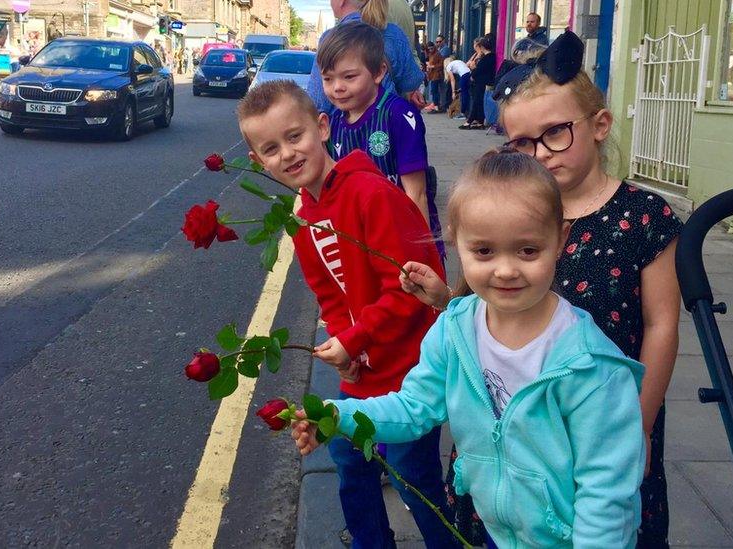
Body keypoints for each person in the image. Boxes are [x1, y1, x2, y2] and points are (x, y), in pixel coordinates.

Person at [406, 31, 684, 547]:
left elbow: (660, 323)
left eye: (555, 133)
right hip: (512, 427)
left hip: (603, 418)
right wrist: (447, 301)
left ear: (599, 125)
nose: (540, 154)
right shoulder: (511, 213)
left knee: (600, 519)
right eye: (522, 143)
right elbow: (484, 309)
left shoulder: (643, 216)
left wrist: (638, 424)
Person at [294, 148, 646, 547]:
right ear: (456, 240)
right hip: (498, 532)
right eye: (484, 251)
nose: (506, 269)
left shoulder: (589, 366)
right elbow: (413, 408)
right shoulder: (456, 329)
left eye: (528, 250)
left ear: (561, 237)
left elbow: (606, 492)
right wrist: (337, 416)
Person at [237, 79, 458, 549]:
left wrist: (356, 338)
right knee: (347, 456)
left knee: (410, 475)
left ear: (321, 127)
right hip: (366, 363)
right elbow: (330, 295)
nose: (288, 154)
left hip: (410, 366)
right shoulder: (302, 215)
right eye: (271, 149)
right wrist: (346, 350)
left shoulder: (369, 194)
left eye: (295, 137)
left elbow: (409, 293)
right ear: (259, 162)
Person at [320, 22, 443, 261]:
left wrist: (420, 256)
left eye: (349, 77)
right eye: (327, 78)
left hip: (402, 237)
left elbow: (416, 193)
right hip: (359, 238)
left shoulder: (399, 115)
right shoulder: (332, 122)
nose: (337, 88)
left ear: (378, 72)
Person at [306, 0, 425, 113]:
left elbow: (317, 101)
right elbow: (411, 82)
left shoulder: (330, 37)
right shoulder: (394, 34)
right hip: (387, 123)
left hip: (342, 130)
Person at [460, 35, 494, 129]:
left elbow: (479, 70)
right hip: (480, 82)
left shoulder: (488, 57)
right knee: (479, 101)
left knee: (477, 101)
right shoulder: (488, 57)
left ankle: (470, 120)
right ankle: (479, 121)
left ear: (482, 47)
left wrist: (474, 70)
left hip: (482, 82)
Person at [423, 41, 445, 113]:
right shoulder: (430, 54)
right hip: (432, 75)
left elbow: (441, 64)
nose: (430, 50)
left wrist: (433, 66)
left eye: (431, 48)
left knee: (435, 91)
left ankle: (436, 107)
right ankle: (436, 106)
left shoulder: (437, 54)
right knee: (434, 91)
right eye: (429, 49)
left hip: (436, 75)